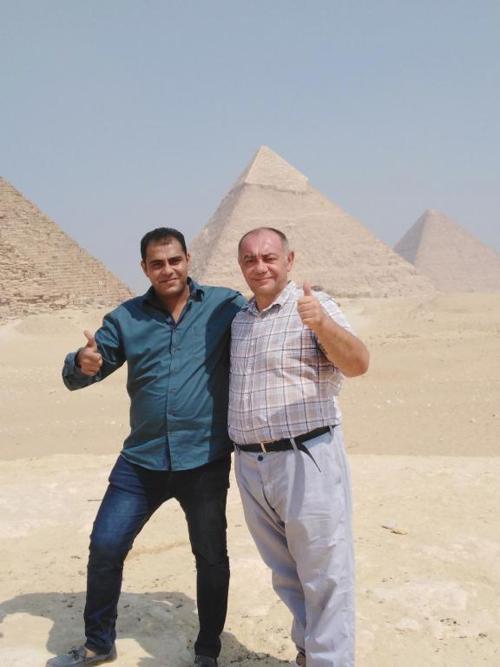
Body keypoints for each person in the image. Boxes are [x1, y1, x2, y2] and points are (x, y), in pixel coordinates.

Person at [47, 228, 245, 667]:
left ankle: (207, 651)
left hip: (204, 460)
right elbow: (86, 369)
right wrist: (81, 363)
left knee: (211, 557)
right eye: (157, 263)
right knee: (105, 545)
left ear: (188, 258)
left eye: (174, 260)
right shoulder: (126, 319)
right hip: (142, 460)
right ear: (144, 268)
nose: (167, 270)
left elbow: (267, 330)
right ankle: (98, 643)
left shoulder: (224, 306)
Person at [228, 227, 369, 667]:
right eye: (250, 259)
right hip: (251, 463)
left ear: (289, 261)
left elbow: (358, 363)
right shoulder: (239, 319)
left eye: (269, 257)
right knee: (286, 572)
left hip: (305, 457)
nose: (260, 266)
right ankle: (310, 651)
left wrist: (321, 324)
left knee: (324, 571)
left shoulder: (314, 306)